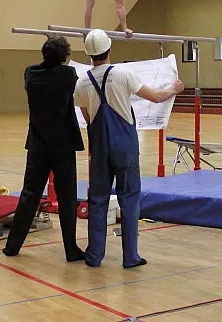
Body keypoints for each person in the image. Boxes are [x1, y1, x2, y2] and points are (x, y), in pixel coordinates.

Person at [74, 29, 184, 268]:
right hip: (125, 145)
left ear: (89, 54)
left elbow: (88, 118)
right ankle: (130, 256)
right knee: (130, 198)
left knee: (98, 200)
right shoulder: (123, 74)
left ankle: (94, 256)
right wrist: (173, 90)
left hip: (99, 147)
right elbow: (156, 97)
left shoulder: (81, 82)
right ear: (109, 48)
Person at [3, 35, 86, 262]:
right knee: (67, 197)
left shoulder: (30, 73)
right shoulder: (68, 74)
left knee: (29, 195)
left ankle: (12, 247)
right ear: (64, 57)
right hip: (63, 145)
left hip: (38, 144)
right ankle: (70, 249)